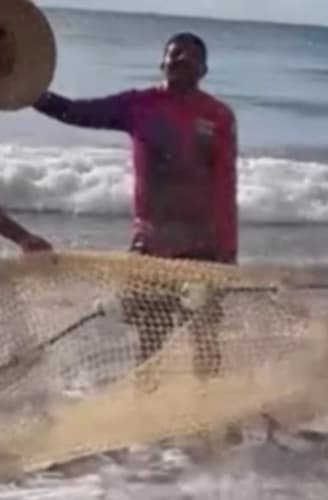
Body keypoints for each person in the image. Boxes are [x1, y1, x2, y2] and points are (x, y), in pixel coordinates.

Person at [32, 33, 237, 380]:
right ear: (162, 64)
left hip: (203, 247)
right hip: (151, 246)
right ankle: (146, 406)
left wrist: (228, 251)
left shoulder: (218, 116)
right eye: (174, 56)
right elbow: (75, 112)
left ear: (204, 69)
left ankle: (209, 417)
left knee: (205, 336)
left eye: (189, 58)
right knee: (150, 336)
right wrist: (27, 92)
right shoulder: (138, 105)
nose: (180, 61)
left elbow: (225, 185)